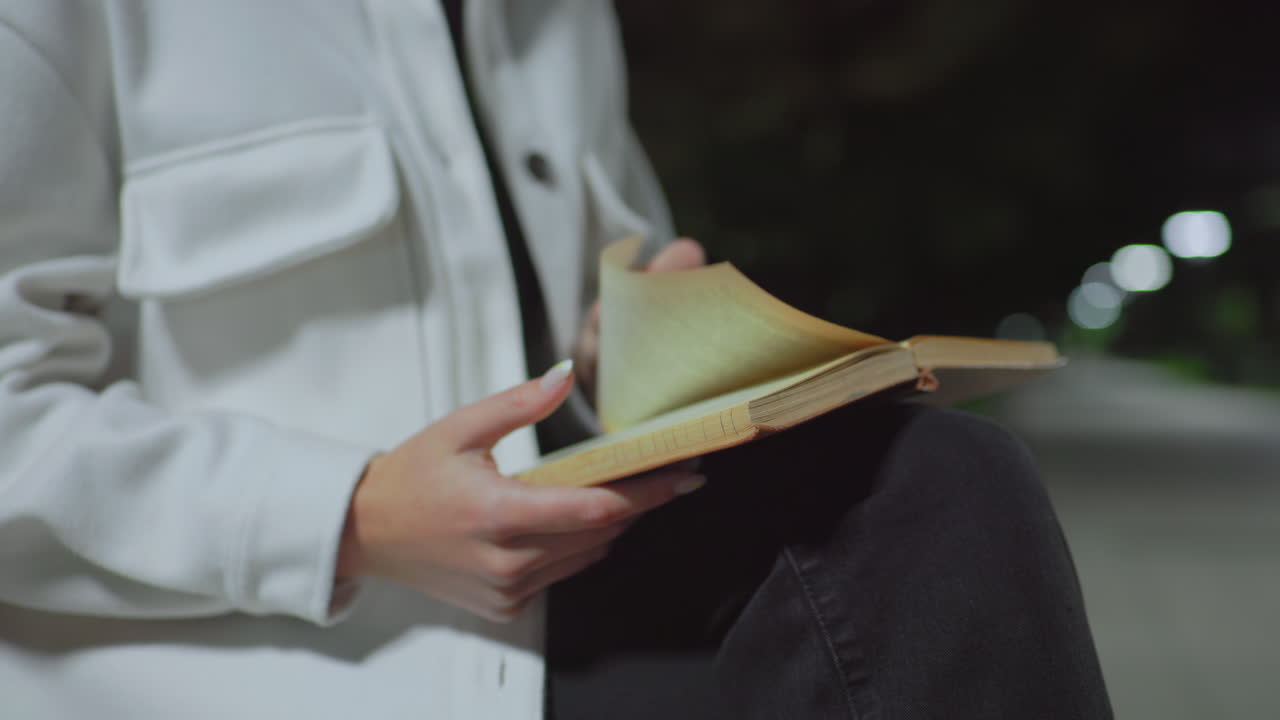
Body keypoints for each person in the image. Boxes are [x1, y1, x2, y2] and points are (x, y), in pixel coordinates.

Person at [0, 1, 1112, 718]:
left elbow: (559, 318)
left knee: (938, 484)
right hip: (285, 661)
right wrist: (349, 517)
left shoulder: (551, 17)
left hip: (565, 591)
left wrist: (619, 341)